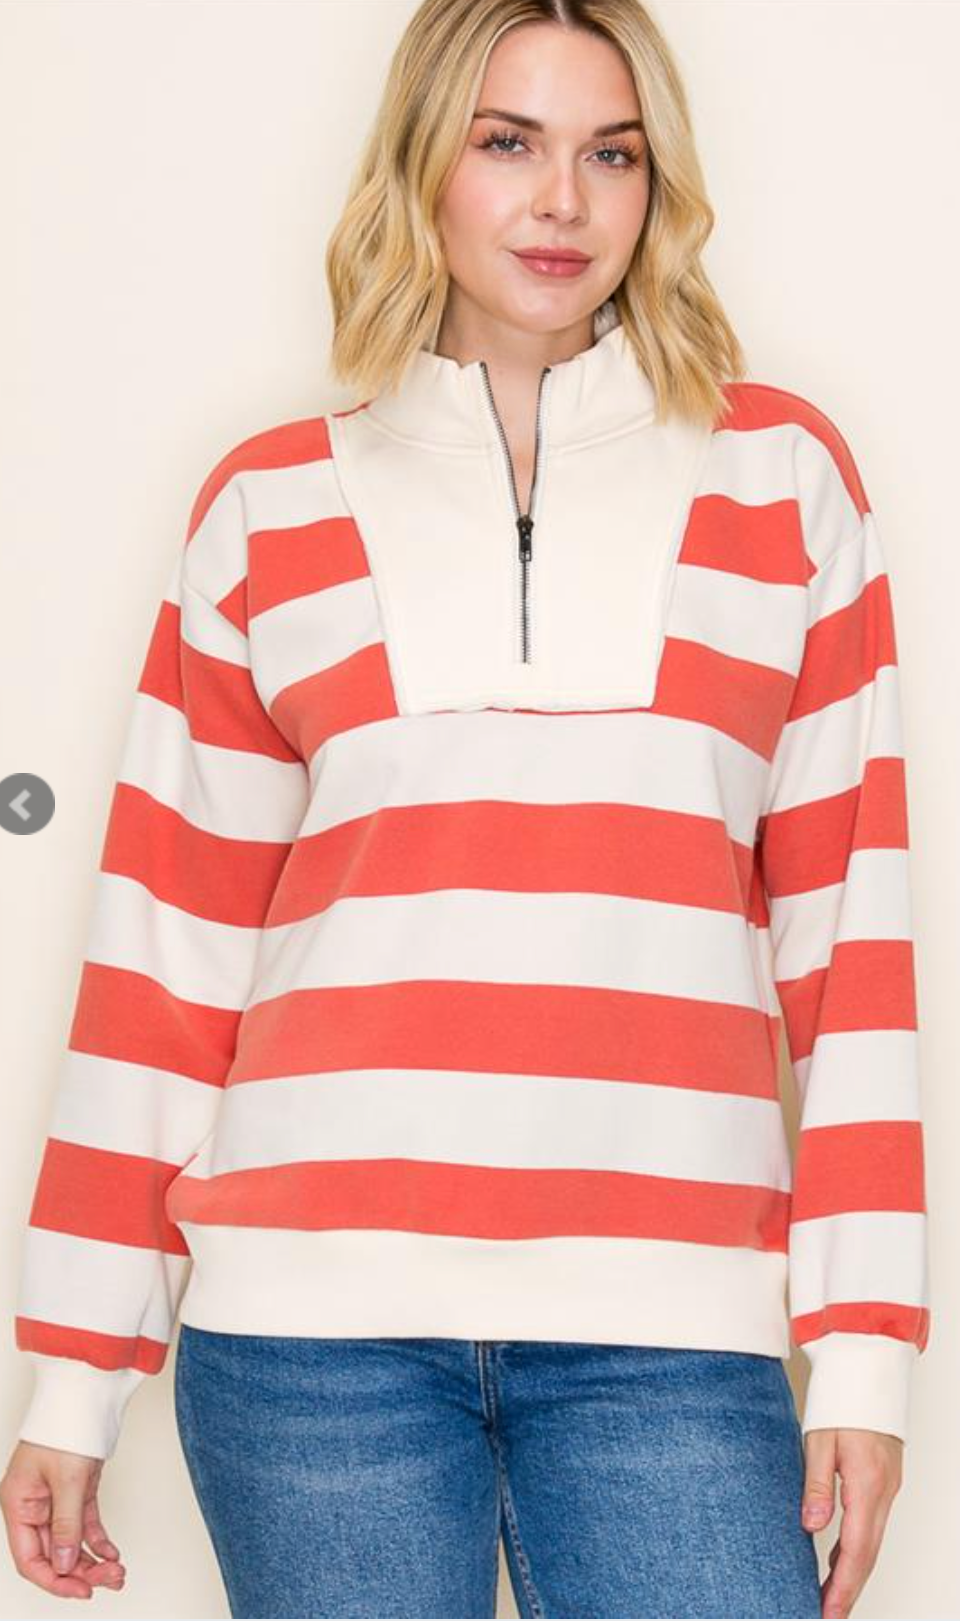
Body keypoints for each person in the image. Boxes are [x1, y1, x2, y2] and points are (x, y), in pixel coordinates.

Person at [2, 0, 930, 1616]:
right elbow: (164, 961)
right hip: (308, 1346)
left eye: (611, 155)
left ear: (657, 187)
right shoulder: (267, 504)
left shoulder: (783, 485)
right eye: (509, 143)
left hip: (672, 1337)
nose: (562, 200)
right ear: (424, 162)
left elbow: (856, 951)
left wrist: (862, 1353)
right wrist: (74, 1377)